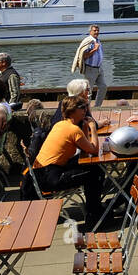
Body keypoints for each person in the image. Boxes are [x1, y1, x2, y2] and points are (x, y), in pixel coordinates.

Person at [32, 94, 104, 224]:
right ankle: (94, 215)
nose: (85, 110)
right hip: (50, 178)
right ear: (72, 111)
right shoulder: (72, 130)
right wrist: (93, 128)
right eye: (82, 107)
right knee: (94, 173)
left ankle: (95, 210)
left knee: (92, 168)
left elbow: (84, 148)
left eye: (86, 107)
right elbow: (93, 150)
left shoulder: (60, 124)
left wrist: (85, 128)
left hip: (40, 174)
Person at [73, 25, 106, 106]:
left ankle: (97, 106)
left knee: (103, 87)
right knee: (88, 91)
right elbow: (83, 56)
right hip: (90, 69)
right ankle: (86, 108)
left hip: (99, 68)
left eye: (98, 30)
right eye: (94, 30)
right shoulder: (89, 41)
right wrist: (94, 49)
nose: (96, 32)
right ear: (90, 32)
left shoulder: (97, 40)